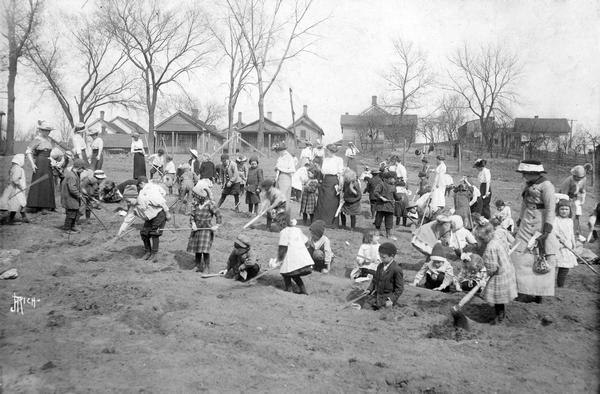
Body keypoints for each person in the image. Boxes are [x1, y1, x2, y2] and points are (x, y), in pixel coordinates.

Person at [512, 160, 557, 303]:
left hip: (540, 222)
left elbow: (551, 208)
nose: (523, 176)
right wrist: (520, 219)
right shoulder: (527, 185)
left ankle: (539, 293)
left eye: (525, 173)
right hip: (526, 223)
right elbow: (524, 204)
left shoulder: (547, 186)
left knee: (540, 256)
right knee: (521, 256)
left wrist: (547, 228)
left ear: (533, 173)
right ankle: (522, 289)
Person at [476, 222, 518, 324]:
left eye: (480, 239)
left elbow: (492, 267)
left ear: (485, 237)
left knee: (496, 296)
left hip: (500, 274)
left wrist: (488, 273)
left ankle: (499, 316)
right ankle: (501, 313)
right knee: (500, 298)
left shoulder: (490, 248)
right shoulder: (497, 239)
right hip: (507, 269)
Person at [187, 185, 222, 273]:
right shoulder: (195, 205)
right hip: (197, 230)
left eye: (195, 196)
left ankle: (206, 267)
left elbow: (218, 215)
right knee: (197, 249)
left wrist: (217, 225)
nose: (194, 198)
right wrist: (193, 223)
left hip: (206, 230)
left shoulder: (210, 205)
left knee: (205, 250)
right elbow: (192, 215)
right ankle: (198, 265)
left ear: (200, 197)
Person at [277, 212, 313, 294]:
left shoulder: (283, 232)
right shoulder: (297, 230)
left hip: (293, 259)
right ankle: (303, 291)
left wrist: (278, 261)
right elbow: (306, 242)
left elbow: (282, 248)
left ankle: (289, 289)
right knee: (295, 274)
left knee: (286, 273)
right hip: (303, 260)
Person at [360, 242, 404, 310]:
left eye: (383, 257)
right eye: (380, 256)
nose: (381, 259)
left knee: (383, 311)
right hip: (377, 296)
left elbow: (399, 289)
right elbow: (374, 280)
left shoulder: (396, 269)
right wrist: (369, 290)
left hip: (387, 299)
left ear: (392, 256)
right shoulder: (380, 266)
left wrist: (391, 300)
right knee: (364, 306)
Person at [26, 121, 57, 213]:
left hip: (48, 162)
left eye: (49, 131)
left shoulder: (49, 140)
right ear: (41, 130)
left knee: (47, 182)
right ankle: (35, 205)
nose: (47, 132)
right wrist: (32, 164)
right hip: (40, 162)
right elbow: (28, 151)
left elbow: (52, 152)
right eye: (46, 130)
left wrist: (54, 161)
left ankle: (46, 205)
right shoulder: (37, 139)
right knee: (39, 182)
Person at [314, 144, 344, 227]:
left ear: (331, 151)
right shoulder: (325, 159)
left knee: (332, 201)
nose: (326, 152)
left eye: (327, 150)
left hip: (333, 181)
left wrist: (340, 184)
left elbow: (340, 173)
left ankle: (331, 222)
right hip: (325, 180)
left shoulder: (339, 160)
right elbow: (323, 171)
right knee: (322, 201)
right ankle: (322, 221)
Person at [558, 165, 587, 238]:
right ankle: (563, 232)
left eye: (580, 177)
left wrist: (582, 198)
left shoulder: (583, 180)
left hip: (575, 198)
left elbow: (582, 190)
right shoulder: (569, 180)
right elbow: (563, 193)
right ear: (573, 175)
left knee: (576, 215)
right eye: (576, 177)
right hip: (566, 197)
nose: (578, 179)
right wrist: (566, 202)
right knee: (566, 214)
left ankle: (574, 232)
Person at [554, 199, 578, 288]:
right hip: (558, 245)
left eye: (566, 209)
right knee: (554, 264)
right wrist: (560, 238)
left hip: (568, 246)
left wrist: (574, 245)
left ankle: (560, 285)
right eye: (562, 209)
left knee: (564, 267)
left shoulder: (570, 221)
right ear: (558, 210)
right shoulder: (556, 219)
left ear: (570, 210)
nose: (564, 211)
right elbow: (554, 231)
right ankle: (549, 284)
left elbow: (571, 234)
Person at [0, 154, 29, 224]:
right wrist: (20, 187)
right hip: (16, 189)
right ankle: (8, 219)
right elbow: (15, 179)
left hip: (12, 188)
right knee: (21, 203)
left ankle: (20, 218)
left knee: (17, 204)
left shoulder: (13, 167)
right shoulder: (18, 168)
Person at [61, 159, 87, 233]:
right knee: (71, 213)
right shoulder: (72, 176)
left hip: (73, 198)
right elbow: (72, 188)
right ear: (79, 168)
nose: (83, 171)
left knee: (75, 212)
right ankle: (67, 228)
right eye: (82, 169)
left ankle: (73, 226)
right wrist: (79, 195)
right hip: (70, 198)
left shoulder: (75, 174)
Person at [373, 172, 396, 239]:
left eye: (394, 179)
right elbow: (375, 192)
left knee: (389, 220)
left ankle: (388, 234)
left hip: (389, 206)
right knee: (378, 219)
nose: (394, 180)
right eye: (392, 179)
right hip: (381, 205)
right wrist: (381, 197)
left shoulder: (393, 187)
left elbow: (396, 196)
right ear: (387, 179)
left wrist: (400, 198)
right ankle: (377, 232)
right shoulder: (381, 184)